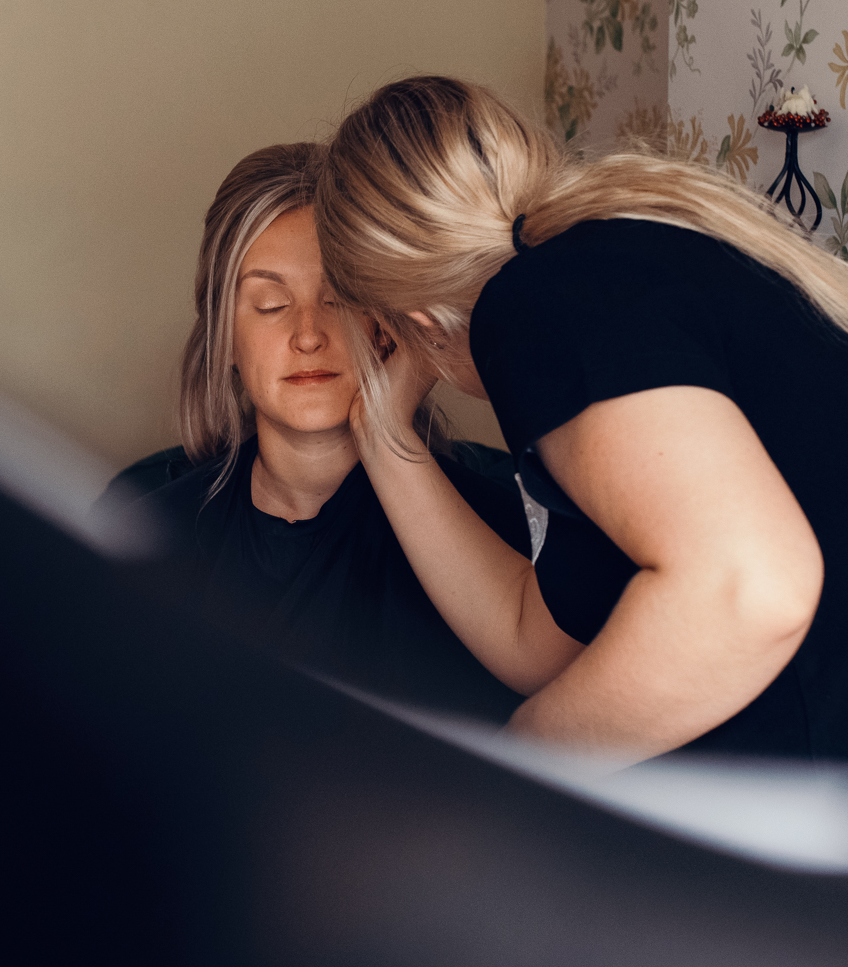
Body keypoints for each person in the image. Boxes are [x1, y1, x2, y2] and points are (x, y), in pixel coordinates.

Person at [314, 75, 848, 768]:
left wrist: (511, 777)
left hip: (838, 798)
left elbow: (747, 591)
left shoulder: (537, 305)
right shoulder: (642, 257)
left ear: (414, 319)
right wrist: (386, 439)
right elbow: (535, 643)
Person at [114, 142, 535, 724]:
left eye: (338, 298)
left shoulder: (507, 536)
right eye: (269, 304)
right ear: (224, 337)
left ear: (388, 321)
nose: (308, 335)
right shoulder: (145, 538)